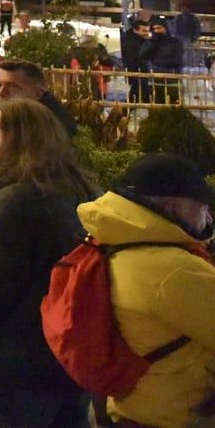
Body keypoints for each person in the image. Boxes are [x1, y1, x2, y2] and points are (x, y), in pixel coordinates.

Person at [0, 99, 94, 428]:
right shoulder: (81, 189)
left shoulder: (16, 202)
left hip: (19, 364)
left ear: (16, 139)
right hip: (67, 356)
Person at [76, 154, 215, 428]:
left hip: (134, 405)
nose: (208, 218)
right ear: (175, 207)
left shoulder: (115, 241)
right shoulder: (173, 271)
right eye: (203, 209)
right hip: (175, 413)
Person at [0, 59, 78, 136]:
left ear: (38, 93)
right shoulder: (16, 114)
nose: (1, 93)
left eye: (13, 87)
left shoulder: (51, 129)